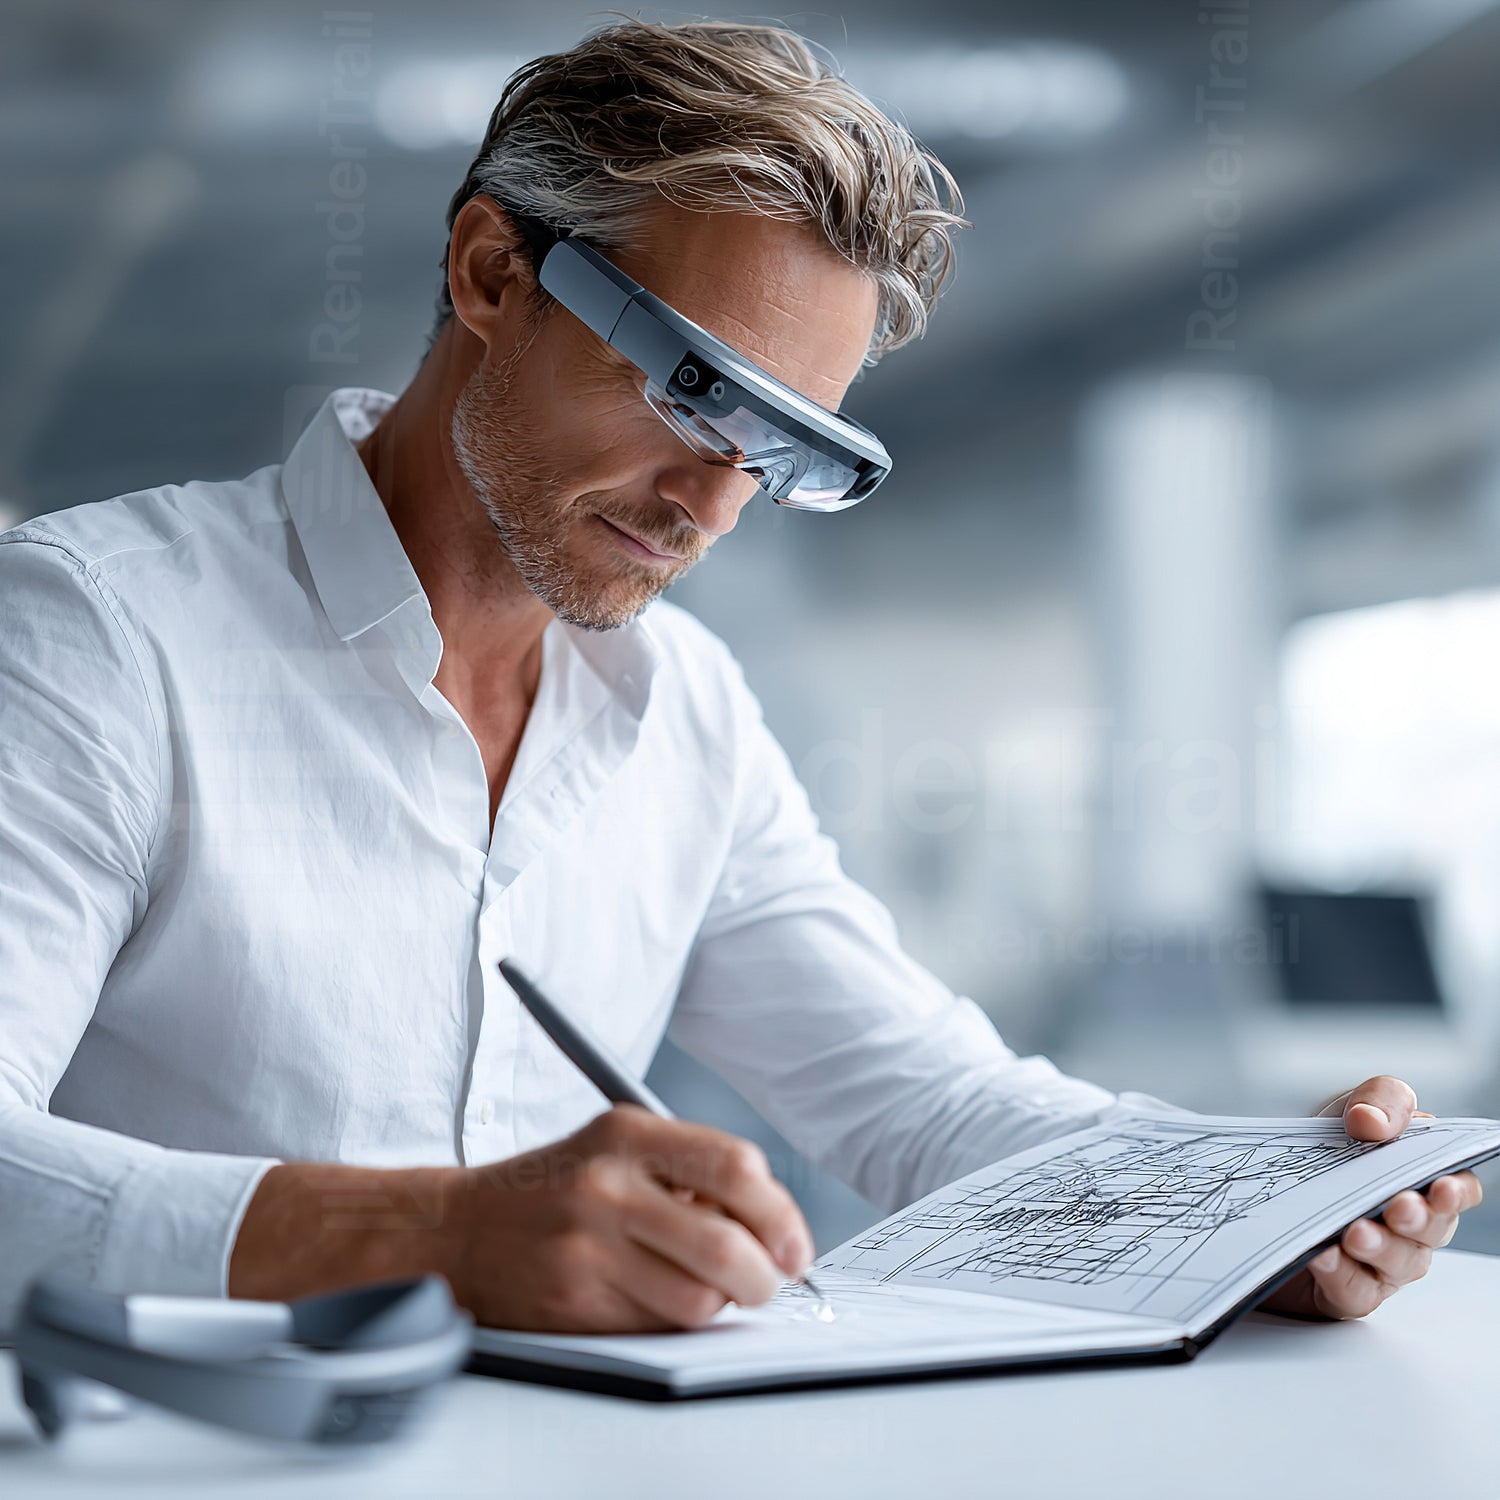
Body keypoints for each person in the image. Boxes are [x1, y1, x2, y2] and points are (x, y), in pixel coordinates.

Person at [0, 19, 1478, 1336]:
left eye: (789, 451)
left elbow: (926, 1101)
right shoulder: (99, 636)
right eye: (694, 391)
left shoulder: (684, 715)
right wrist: (434, 1237)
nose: (714, 502)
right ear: (492, 273)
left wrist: (1255, 1211)